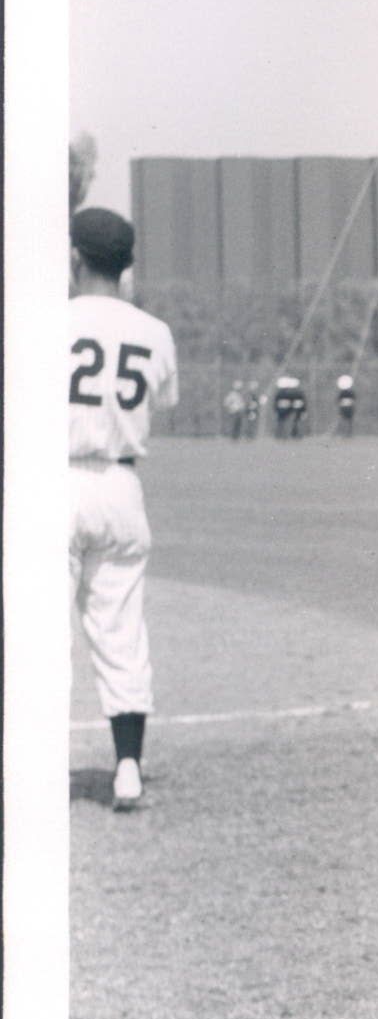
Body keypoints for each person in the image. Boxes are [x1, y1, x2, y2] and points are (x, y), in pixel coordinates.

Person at [68, 208, 179, 812]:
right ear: (127, 264)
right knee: (121, 630)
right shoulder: (155, 331)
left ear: (76, 258)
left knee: (35, 633)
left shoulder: (47, 322)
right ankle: (129, 768)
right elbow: (160, 396)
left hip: (55, 479)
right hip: (121, 484)